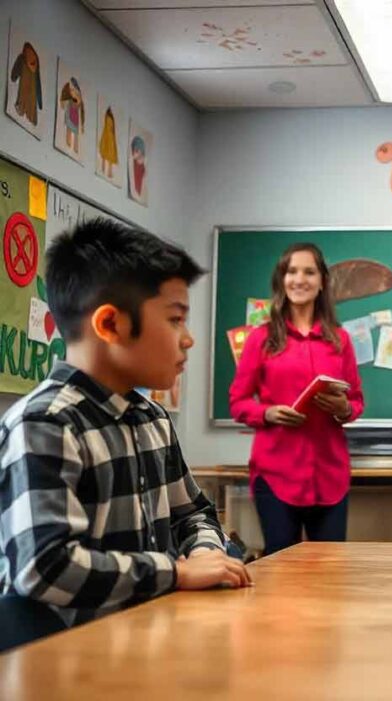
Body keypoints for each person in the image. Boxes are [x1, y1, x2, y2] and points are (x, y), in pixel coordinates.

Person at [0, 218, 250, 632]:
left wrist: (207, 554)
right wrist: (176, 573)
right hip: (59, 663)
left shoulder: (151, 418)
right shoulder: (45, 423)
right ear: (111, 324)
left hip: (141, 642)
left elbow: (193, 514)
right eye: (174, 319)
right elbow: (45, 566)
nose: (188, 339)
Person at [229, 243, 364, 555]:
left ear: (322, 282)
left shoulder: (339, 339)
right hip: (276, 474)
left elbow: (356, 401)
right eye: (292, 271)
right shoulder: (260, 338)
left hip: (329, 475)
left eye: (309, 272)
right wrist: (268, 413)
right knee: (280, 571)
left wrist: (344, 408)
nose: (299, 279)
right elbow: (237, 402)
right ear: (281, 279)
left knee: (329, 571)